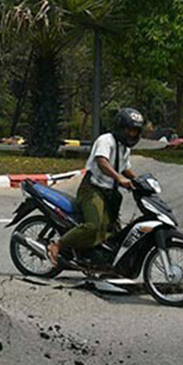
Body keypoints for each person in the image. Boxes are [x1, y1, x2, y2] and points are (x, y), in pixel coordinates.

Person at [47, 108, 144, 265]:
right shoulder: (106, 140)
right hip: (92, 189)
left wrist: (139, 181)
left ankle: (97, 259)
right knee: (94, 226)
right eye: (129, 130)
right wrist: (119, 178)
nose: (132, 134)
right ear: (120, 127)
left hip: (110, 192)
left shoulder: (124, 147)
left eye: (135, 131)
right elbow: (102, 161)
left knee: (113, 231)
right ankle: (57, 245)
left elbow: (125, 167)